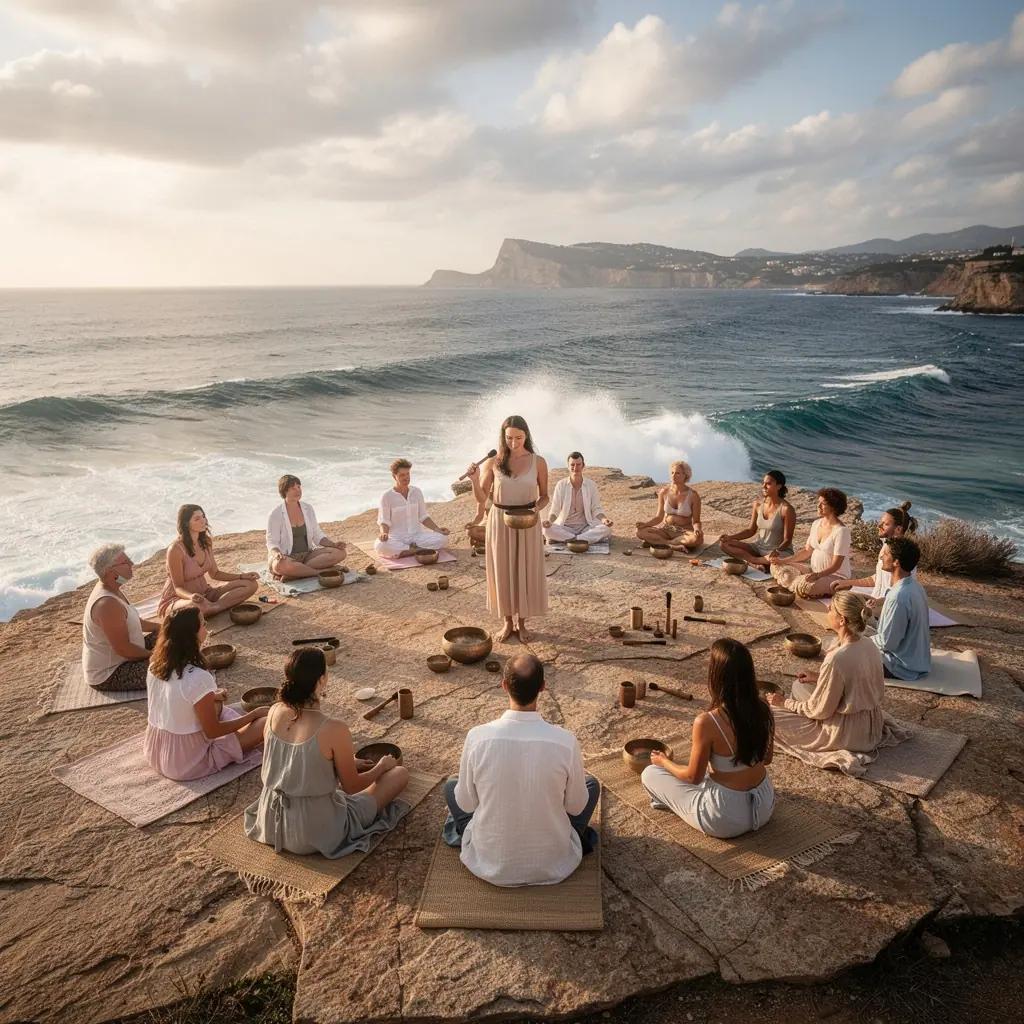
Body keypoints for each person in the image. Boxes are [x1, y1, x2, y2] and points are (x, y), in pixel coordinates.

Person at [442, 654, 600, 887]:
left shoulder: (477, 737)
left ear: (504, 686)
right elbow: (575, 806)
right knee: (591, 785)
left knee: (452, 786)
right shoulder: (565, 742)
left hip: (490, 861)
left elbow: (467, 805)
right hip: (553, 861)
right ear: (543, 688)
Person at [244, 647, 410, 856]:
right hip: (314, 831)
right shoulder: (333, 728)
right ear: (321, 679)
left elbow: (289, 762)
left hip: (270, 822)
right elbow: (352, 787)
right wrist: (381, 767)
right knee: (399, 775)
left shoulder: (274, 711)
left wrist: (341, 763)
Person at [641, 639, 775, 839]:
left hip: (723, 817)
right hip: (764, 806)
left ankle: (674, 801)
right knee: (708, 773)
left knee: (651, 773)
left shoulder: (707, 722)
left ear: (717, 676)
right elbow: (767, 758)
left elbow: (692, 778)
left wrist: (664, 762)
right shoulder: (764, 708)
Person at [767, 592, 906, 774]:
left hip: (847, 734)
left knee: (766, 715)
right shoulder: (868, 644)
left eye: (831, 609)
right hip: (872, 724)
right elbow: (860, 683)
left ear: (842, 621)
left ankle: (798, 720)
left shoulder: (836, 658)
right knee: (800, 686)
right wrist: (819, 678)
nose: (827, 611)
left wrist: (783, 703)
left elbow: (820, 710)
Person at [144, 606, 268, 780]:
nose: (206, 626)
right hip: (186, 763)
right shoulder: (199, 678)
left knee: (216, 702)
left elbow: (175, 697)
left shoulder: (154, 665)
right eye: (203, 624)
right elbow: (212, 731)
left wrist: (213, 696)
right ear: (192, 634)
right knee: (265, 722)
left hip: (156, 752)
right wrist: (252, 715)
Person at [465, 416, 549, 643]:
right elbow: (482, 498)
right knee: (502, 570)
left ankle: (522, 624)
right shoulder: (493, 461)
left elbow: (544, 496)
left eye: (519, 438)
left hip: (527, 521)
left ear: (526, 436)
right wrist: (474, 479)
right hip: (499, 520)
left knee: (524, 569)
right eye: (509, 438)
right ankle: (507, 623)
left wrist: (536, 511)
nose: (514, 442)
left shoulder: (538, 461)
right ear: (503, 437)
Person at [82, 543, 161, 691]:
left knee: (175, 634)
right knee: (176, 666)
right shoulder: (107, 604)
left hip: (128, 653)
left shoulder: (113, 590)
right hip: (112, 672)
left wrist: (164, 628)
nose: (131, 564)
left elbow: (137, 623)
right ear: (110, 571)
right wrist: (156, 655)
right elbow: (122, 649)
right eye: (126, 562)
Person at [158, 505, 259, 617]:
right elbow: (178, 588)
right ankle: (212, 608)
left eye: (203, 516)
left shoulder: (206, 542)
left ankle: (213, 608)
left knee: (250, 584)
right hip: (181, 599)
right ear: (186, 524)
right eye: (197, 519)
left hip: (205, 593)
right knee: (197, 606)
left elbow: (215, 573)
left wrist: (242, 576)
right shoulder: (176, 550)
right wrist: (191, 597)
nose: (203, 521)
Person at [831, 502, 917, 615]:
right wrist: (847, 582)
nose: (879, 525)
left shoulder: (903, 554)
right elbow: (878, 578)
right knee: (838, 598)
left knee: (843, 607)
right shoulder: (886, 547)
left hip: (889, 605)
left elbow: (901, 592)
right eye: (880, 522)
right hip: (875, 599)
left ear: (898, 529)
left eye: (885, 524)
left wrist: (877, 602)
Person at [769, 488, 851, 597]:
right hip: (813, 571)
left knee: (804, 585)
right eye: (819, 502)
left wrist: (818, 575)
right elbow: (807, 552)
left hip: (835, 576)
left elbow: (836, 565)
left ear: (834, 508)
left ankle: (801, 585)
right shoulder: (816, 524)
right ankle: (798, 584)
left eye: (823, 504)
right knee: (777, 566)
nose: (818, 506)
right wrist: (782, 560)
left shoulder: (841, 531)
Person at [266, 475, 347, 580]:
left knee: (340, 553)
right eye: (293, 488)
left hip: (307, 556)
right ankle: (320, 572)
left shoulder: (307, 508)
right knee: (279, 565)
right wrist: (277, 554)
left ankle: (296, 574)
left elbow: (317, 534)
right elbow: (271, 542)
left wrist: (333, 544)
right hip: (286, 558)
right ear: (284, 490)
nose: (298, 490)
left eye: (299, 487)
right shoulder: (275, 514)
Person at [872, 538, 930, 680]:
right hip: (917, 661)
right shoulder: (915, 586)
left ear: (896, 562)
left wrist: (858, 640)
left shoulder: (899, 597)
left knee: (845, 654)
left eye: (885, 554)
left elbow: (887, 643)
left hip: (899, 667)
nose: (881, 557)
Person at [374, 458, 450, 559]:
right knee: (381, 546)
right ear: (394, 476)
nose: (406, 478)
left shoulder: (417, 492)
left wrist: (437, 529)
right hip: (397, 538)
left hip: (417, 536)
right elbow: (384, 521)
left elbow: (423, 516)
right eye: (402, 475)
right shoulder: (387, 496)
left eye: (408, 474)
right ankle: (416, 550)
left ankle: (408, 550)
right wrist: (384, 534)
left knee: (443, 538)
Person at [718, 470, 796, 567]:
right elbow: (751, 530)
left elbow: (787, 540)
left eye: (768, 484)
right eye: (763, 483)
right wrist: (730, 537)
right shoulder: (758, 505)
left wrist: (777, 550)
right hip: (757, 548)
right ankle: (757, 562)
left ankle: (753, 561)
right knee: (724, 544)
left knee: (775, 559)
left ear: (778, 486)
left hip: (777, 551)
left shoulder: (786, 509)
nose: (763, 486)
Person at [542, 452, 613, 545]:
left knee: (607, 529)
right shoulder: (561, 485)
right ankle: (580, 539)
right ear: (568, 467)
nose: (575, 468)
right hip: (565, 527)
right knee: (546, 530)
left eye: (578, 464)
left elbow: (596, 508)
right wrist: (549, 521)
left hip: (585, 527)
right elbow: (555, 509)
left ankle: (571, 539)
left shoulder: (591, 485)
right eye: (572, 465)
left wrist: (604, 520)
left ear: (583, 466)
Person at [635, 461, 704, 552]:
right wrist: (646, 524)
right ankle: (674, 545)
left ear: (685, 476)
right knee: (640, 532)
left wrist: (697, 529)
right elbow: (659, 517)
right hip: (666, 530)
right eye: (672, 472)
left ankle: (660, 542)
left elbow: (696, 521)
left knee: (697, 539)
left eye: (677, 473)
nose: (673, 475)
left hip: (683, 532)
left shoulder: (693, 496)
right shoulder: (664, 492)